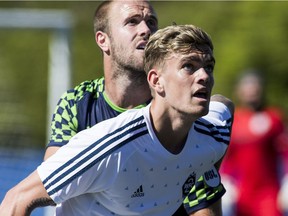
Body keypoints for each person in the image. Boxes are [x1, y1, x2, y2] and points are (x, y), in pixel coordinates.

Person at [0, 24, 234, 216]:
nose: (204, 76)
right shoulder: (111, 144)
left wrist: (207, 169)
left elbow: (224, 105)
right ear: (156, 81)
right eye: (189, 67)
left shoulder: (214, 135)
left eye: (209, 67)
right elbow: (16, 199)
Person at [220, 69, 288, 216]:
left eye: (255, 86)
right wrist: (225, 180)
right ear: (239, 91)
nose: (252, 90)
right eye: (247, 86)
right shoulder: (233, 121)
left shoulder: (274, 118)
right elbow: (227, 158)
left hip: (269, 194)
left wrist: (286, 182)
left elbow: (284, 154)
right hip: (241, 196)